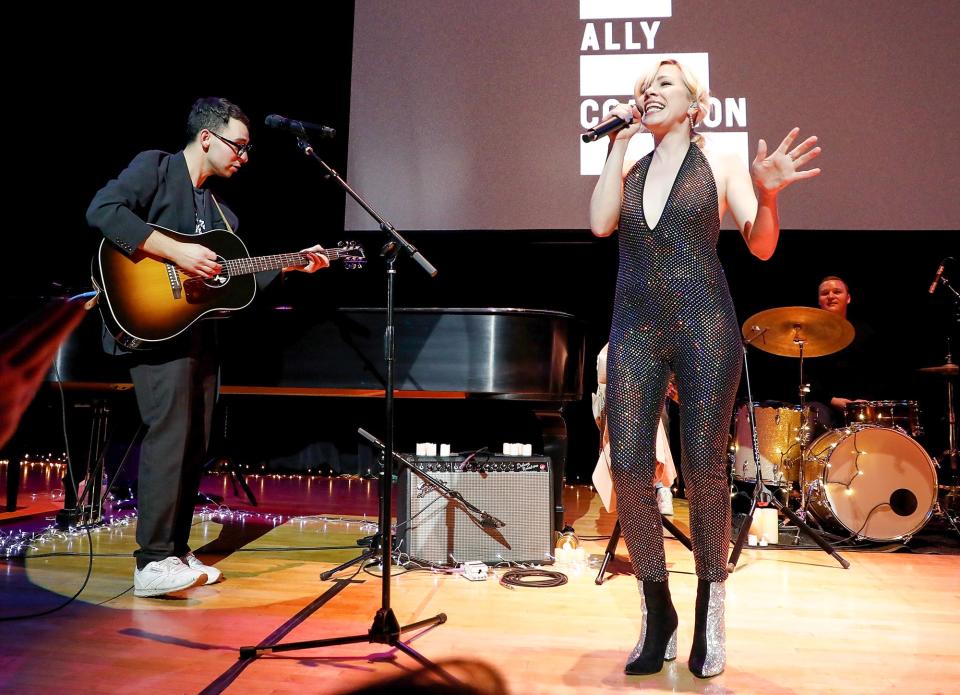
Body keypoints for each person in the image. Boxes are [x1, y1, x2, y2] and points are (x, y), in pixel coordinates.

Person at [589, 59, 820, 678]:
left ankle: (710, 603)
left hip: (705, 326)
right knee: (631, 463)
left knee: (703, 467)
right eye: (644, 87)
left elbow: (762, 243)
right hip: (635, 325)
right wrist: (616, 146)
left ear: (695, 105)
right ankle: (656, 606)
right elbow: (600, 222)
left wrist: (766, 194)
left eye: (664, 84)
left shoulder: (717, 161)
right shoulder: (632, 167)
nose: (649, 92)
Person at [86, 97, 329, 598]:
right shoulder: (155, 167)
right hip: (149, 323)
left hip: (196, 333)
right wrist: (175, 250)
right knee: (171, 435)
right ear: (206, 139)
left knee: (195, 441)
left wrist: (290, 264)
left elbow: (235, 286)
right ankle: (151, 560)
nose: (244, 156)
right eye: (238, 145)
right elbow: (103, 211)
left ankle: (173, 552)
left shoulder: (225, 216)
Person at [592, 343, 677, 516]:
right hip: (625, 386)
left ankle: (661, 487)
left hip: (655, 378)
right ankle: (642, 486)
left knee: (659, 415)